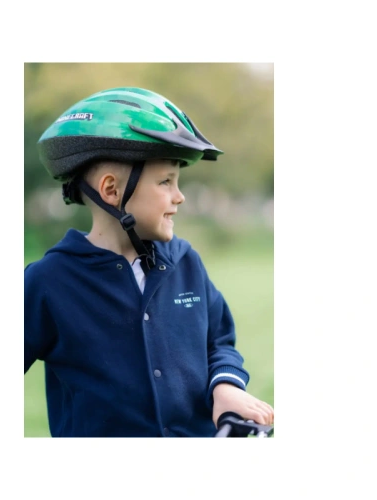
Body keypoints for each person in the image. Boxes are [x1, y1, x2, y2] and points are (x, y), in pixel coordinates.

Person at [24, 86, 274, 437]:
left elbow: (218, 342)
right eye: (166, 182)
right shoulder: (48, 282)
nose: (179, 196)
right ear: (112, 190)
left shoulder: (186, 263)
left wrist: (226, 387)